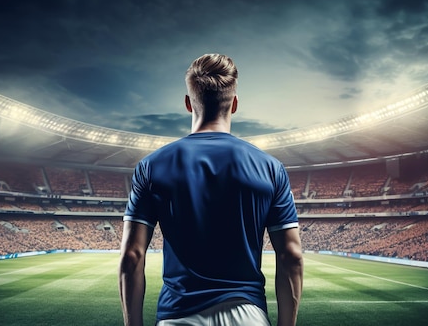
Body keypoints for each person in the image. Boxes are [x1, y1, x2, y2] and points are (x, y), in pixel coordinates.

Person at [119, 53, 304, 326]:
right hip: (248, 315)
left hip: (178, 316)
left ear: (187, 104)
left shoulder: (151, 167)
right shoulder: (270, 168)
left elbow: (132, 256)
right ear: (235, 104)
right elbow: (291, 255)